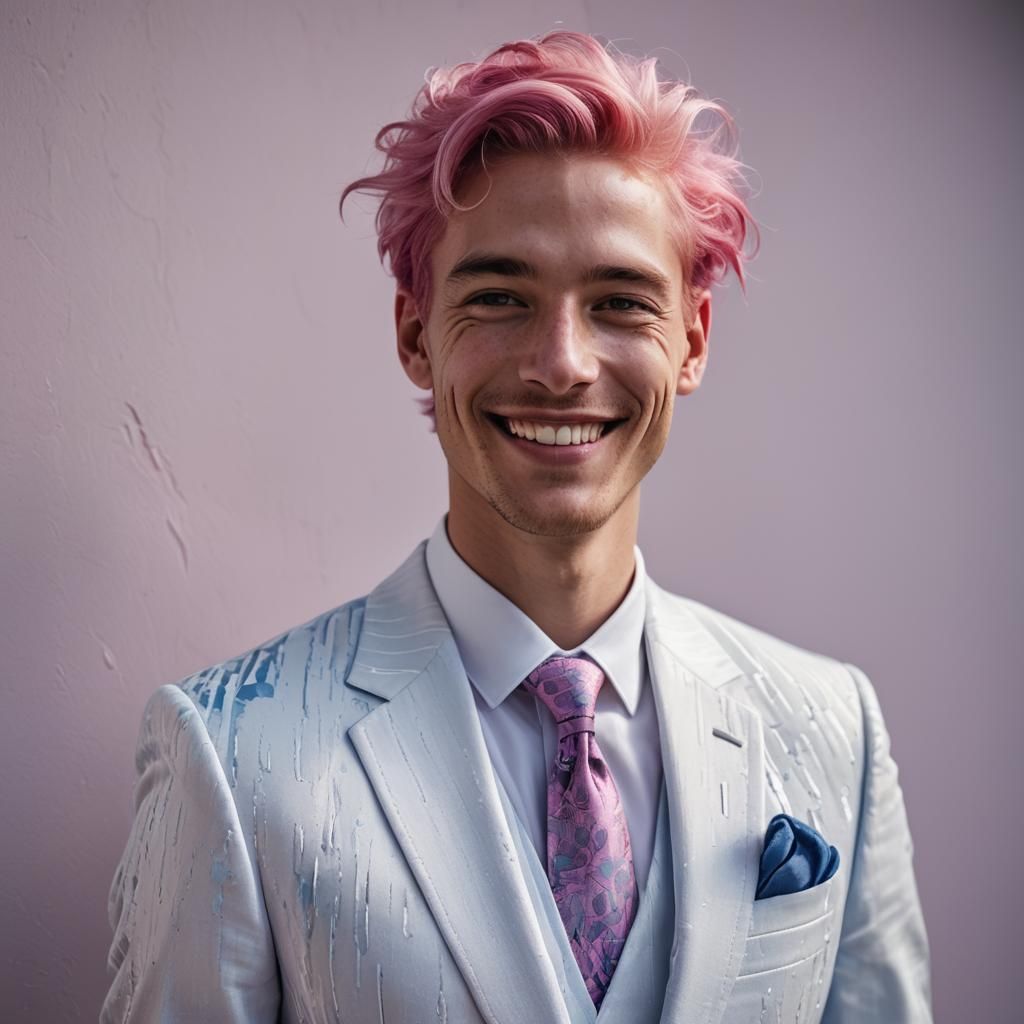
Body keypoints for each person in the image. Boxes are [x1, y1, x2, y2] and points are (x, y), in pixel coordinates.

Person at [101, 30, 933, 1024]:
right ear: (415, 335)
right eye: (500, 297)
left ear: (692, 341)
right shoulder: (229, 751)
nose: (561, 363)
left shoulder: (832, 727)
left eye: (620, 301)